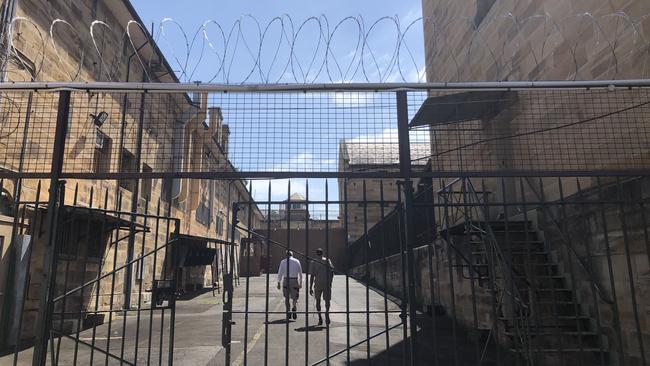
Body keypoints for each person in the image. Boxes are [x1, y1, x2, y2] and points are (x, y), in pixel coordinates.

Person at [309, 248, 335, 325]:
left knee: (318, 300)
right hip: (326, 283)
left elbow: (312, 276)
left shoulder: (313, 262)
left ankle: (320, 317)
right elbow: (332, 271)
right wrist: (330, 281)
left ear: (316, 254)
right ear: (322, 253)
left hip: (318, 283)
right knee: (327, 301)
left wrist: (310, 287)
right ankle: (327, 313)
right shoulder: (327, 260)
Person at [277, 250, 303, 320]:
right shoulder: (297, 261)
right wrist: (300, 283)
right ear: (292, 255)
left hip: (286, 280)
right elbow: (300, 273)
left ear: (286, 255)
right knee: (295, 297)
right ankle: (294, 307)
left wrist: (278, 282)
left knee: (286, 297)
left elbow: (280, 272)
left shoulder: (283, 262)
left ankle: (288, 311)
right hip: (294, 280)